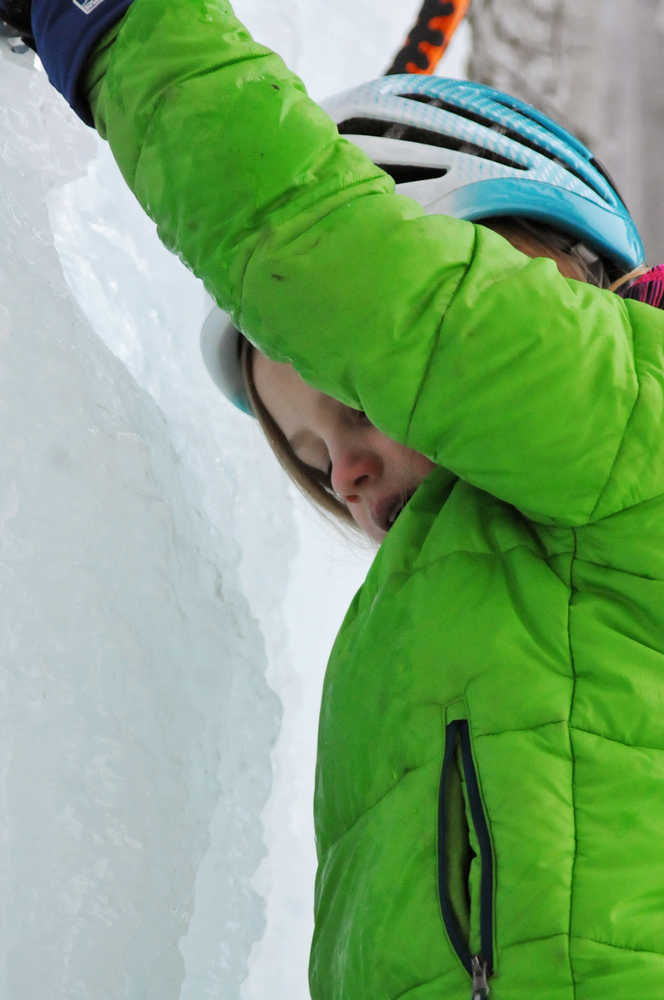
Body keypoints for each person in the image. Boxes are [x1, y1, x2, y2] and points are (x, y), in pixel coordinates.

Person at [6, 0, 664, 996]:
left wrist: (119, 26)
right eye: (312, 460)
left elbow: (334, 262)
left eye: (359, 401)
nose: (343, 476)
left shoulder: (631, 412)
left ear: (539, 279)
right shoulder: (443, 618)